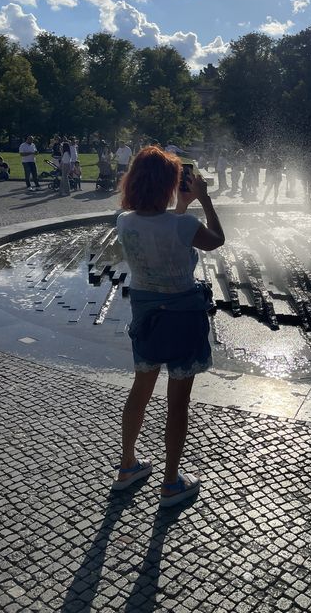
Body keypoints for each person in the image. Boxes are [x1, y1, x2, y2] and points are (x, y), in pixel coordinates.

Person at [114, 146, 225, 506]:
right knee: (178, 403)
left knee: (140, 390)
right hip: (183, 317)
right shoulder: (184, 225)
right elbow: (215, 240)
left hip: (146, 315)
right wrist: (204, 200)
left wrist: (181, 207)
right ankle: (170, 481)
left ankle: (128, 464)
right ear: (170, 185)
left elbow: (162, 229)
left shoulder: (124, 221)